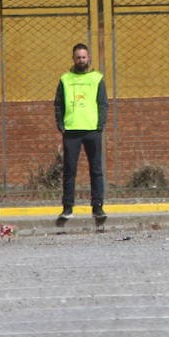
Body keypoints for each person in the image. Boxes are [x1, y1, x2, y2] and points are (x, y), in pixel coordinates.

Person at [54, 42, 107, 223]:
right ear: (73, 59)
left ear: (89, 58)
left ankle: (98, 207)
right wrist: (60, 124)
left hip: (92, 130)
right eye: (78, 57)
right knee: (69, 171)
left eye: (84, 57)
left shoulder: (97, 78)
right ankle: (67, 207)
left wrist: (100, 124)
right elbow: (58, 104)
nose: (81, 60)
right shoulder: (65, 79)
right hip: (72, 130)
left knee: (96, 170)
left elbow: (102, 103)